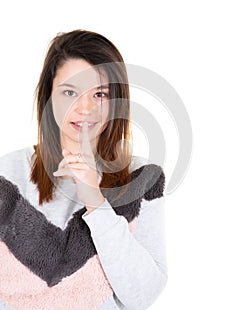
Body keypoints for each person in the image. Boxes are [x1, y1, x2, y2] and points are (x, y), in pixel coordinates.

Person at [0, 30, 167, 310]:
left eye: (99, 94)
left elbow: (142, 296)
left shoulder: (143, 179)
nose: (84, 108)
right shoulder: (6, 175)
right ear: (48, 96)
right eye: (69, 92)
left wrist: (95, 201)